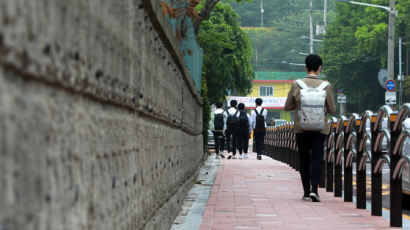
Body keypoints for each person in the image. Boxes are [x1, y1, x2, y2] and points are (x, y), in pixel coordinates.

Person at [284, 54, 336, 202]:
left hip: (301, 128)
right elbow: (332, 110)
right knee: (318, 158)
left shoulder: (297, 85)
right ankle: (315, 190)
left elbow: (287, 107)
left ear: (306, 67)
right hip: (320, 129)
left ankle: (306, 192)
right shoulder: (326, 86)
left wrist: (299, 104)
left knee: (304, 159)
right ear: (320, 67)